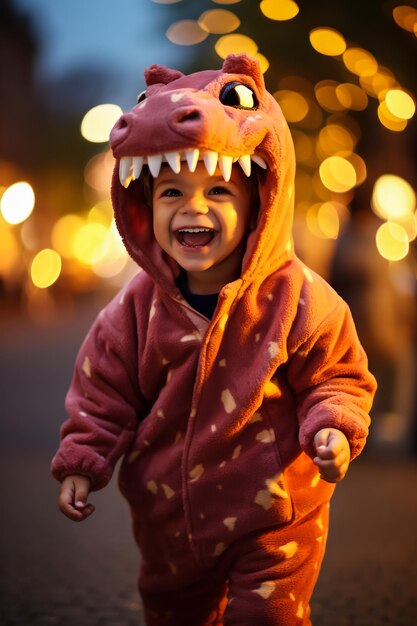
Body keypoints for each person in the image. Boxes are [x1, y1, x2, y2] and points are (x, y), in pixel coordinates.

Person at [51, 54, 376, 625]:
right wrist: (83, 459)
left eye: (219, 193)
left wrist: (332, 427)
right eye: (170, 193)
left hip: (274, 513)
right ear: (142, 207)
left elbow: (338, 375)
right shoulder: (132, 311)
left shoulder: (301, 300)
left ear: (260, 205)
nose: (192, 208)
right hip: (169, 516)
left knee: (267, 617)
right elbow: (102, 392)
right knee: (176, 614)